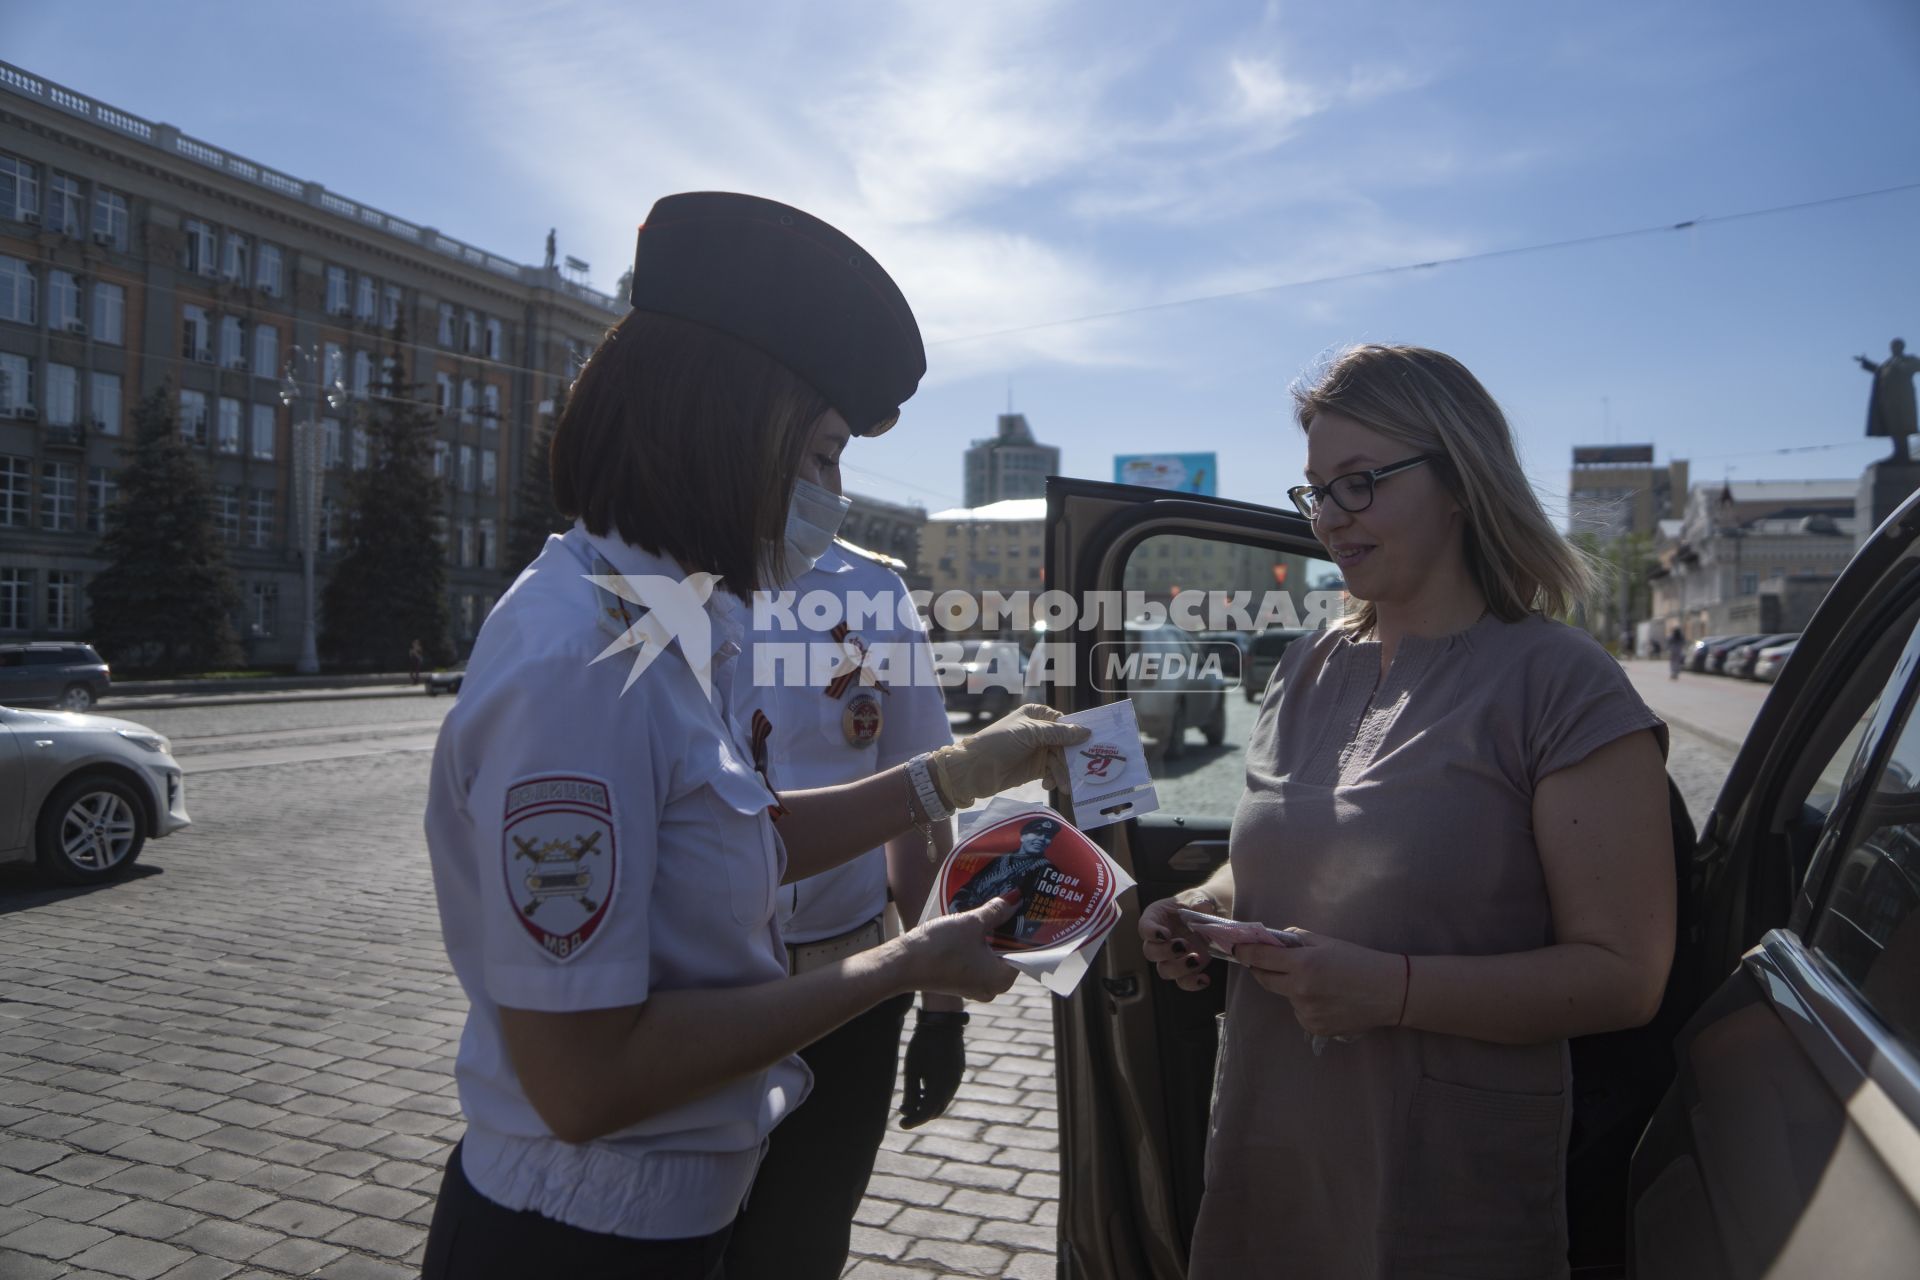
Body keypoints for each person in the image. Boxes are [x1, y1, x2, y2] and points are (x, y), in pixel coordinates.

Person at [419, 192, 1089, 1279]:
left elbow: (732, 838)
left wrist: (955, 771)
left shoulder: (658, 622)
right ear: (729, 425)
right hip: (583, 1241)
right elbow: (586, 1082)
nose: (830, 494)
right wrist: (905, 962)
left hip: (659, 1222)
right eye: (820, 455)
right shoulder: (583, 662)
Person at [1138, 344, 1675, 1279]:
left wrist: (1392, 991)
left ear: (1461, 480)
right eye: (1315, 492)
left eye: (1359, 484)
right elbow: (1269, 856)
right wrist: (1213, 910)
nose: (1329, 521)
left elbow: (1624, 977)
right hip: (1274, 1145)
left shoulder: (1561, 683)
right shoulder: (1310, 662)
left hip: (1442, 1184)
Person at [721, 521, 965, 1278]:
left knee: (806, 1242)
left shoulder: (871, 590)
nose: (823, 478)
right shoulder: (679, 577)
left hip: (847, 992)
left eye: (832, 452)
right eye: (812, 449)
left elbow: (919, 796)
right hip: (709, 997)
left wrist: (942, 1008)